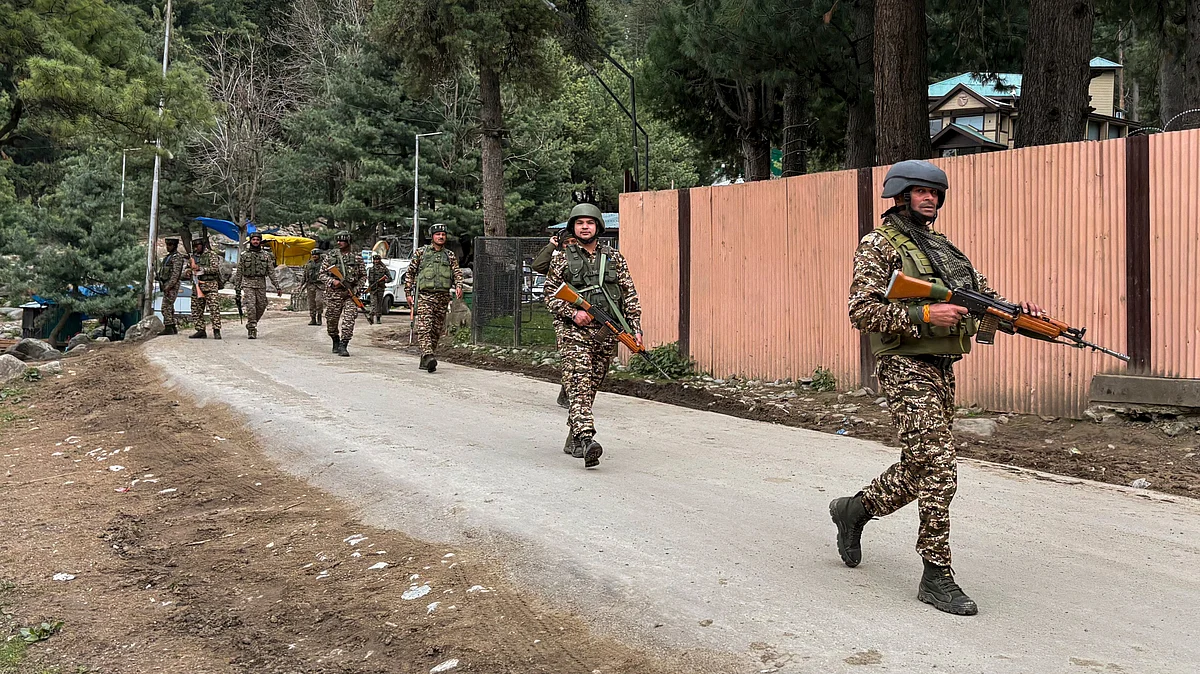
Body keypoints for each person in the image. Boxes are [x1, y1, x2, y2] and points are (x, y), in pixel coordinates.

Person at [829, 160, 1043, 616]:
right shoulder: (878, 244)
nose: (930, 199)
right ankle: (936, 574)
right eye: (920, 191)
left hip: (941, 366)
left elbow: (983, 303)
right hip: (903, 365)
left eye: (935, 193)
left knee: (919, 467)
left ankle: (854, 511)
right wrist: (922, 315)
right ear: (900, 195)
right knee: (941, 468)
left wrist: (1017, 314)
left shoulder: (946, 250)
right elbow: (860, 310)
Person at [542, 203, 642, 469]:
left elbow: (629, 295)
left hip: (605, 332)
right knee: (579, 379)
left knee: (593, 382)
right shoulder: (562, 257)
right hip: (572, 330)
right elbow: (550, 295)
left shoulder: (614, 258)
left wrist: (635, 329)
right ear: (573, 228)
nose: (585, 227)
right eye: (579, 223)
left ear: (598, 226)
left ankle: (573, 434)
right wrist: (572, 312)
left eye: (590, 222)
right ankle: (587, 439)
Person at [404, 224, 464, 372]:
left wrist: (459, 285)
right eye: (438, 234)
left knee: (436, 330)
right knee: (424, 327)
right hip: (425, 296)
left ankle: (425, 358)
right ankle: (429, 355)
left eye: (443, 234)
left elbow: (457, 272)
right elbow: (410, 273)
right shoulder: (421, 253)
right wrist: (408, 293)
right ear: (432, 236)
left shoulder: (449, 255)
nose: (441, 237)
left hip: (442, 297)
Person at [531, 231, 578, 408]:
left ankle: (569, 391)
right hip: (562, 312)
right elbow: (538, 265)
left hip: (584, 312)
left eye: (574, 241)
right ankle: (568, 394)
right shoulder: (556, 260)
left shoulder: (582, 259)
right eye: (567, 242)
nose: (571, 245)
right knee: (569, 355)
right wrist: (551, 245)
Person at [319, 230, 366, 357]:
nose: (339, 243)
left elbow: (363, 276)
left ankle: (344, 344)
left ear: (348, 241)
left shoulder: (357, 258)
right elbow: (321, 274)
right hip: (334, 294)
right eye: (338, 240)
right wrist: (332, 281)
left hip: (350, 295)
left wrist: (356, 290)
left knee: (349, 320)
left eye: (342, 240)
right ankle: (335, 339)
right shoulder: (331, 257)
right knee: (331, 321)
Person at [231, 231, 283, 339]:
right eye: (253, 240)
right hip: (248, 283)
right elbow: (239, 271)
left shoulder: (266, 256)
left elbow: (271, 272)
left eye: (257, 240)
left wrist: (277, 286)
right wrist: (237, 287)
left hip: (261, 283)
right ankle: (252, 328)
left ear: (260, 242)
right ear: (250, 241)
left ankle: (251, 323)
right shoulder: (244, 255)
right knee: (251, 306)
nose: (255, 242)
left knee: (261, 305)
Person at [187, 236, 223, 340]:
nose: (195, 248)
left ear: (202, 245)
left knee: (214, 309)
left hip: (210, 286)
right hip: (197, 286)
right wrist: (188, 272)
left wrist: (200, 269)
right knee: (196, 309)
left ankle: (216, 330)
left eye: (197, 246)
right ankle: (200, 330)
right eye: (193, 246)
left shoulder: (211, 255)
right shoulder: (193, 257)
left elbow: (214, 269)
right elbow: (187, 269)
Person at [157, 238, 185, 335]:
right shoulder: (168, 257)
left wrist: (169, 286)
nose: (168, 247)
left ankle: (168, 327)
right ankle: (172, 327)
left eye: (170, 245)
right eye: (167, 245)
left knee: (165, 307)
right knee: (169, 307)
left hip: (171, 285)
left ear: (175, 245)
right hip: (167, 284)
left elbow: (175, 275)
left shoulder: (177, 257)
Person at [301, 248, 325, 325]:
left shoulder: (324, 264)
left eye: (316, 255)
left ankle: (319, 317)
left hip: (320, 285)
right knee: (311, 303)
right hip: (310, 285)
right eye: (313, 255)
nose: (314, 256)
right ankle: (313, 318)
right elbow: (305, 275)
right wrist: (301, 285)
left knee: (319, 301)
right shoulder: (309, 264)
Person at [367, 254, 391, 325]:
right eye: (374, 260)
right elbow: (369, 279)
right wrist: (370, 286)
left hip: (380, 288)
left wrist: (383, 281)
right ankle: (371, 316)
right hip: (373, 288)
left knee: (379, 303)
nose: (376, 261)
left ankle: (378, 318)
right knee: (373, 303)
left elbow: (389, 278)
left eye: (377, 260)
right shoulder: (371, 269)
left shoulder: (384, 269)